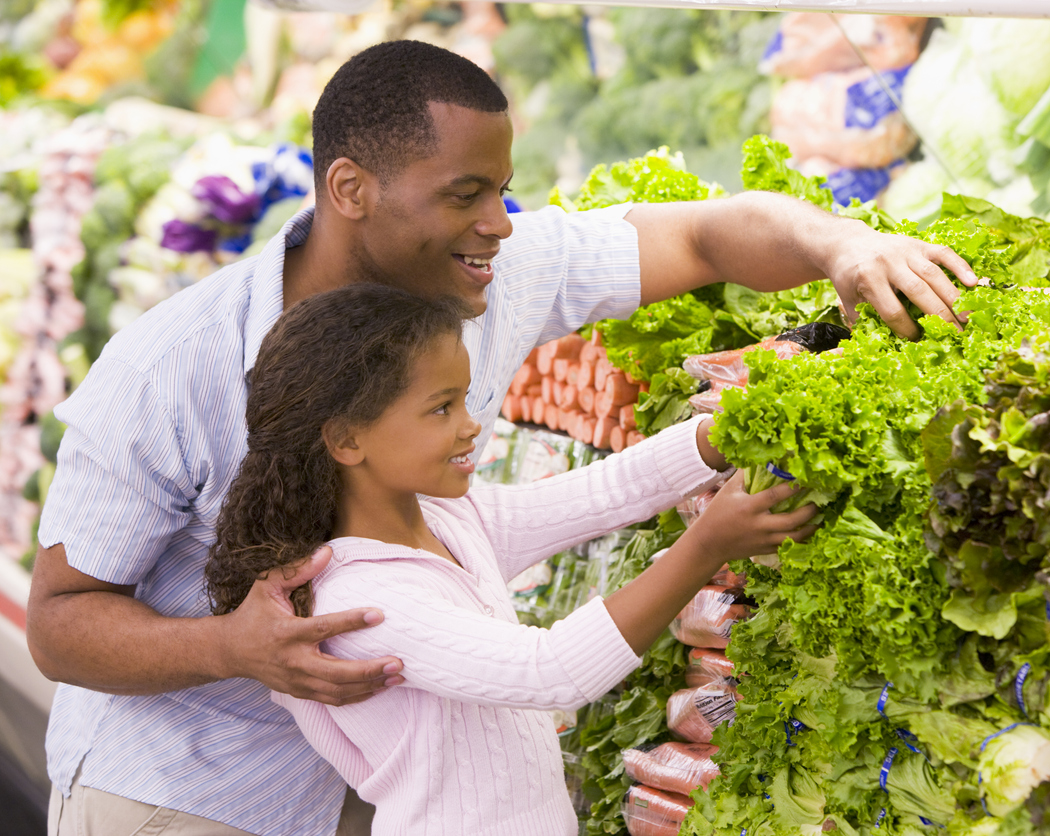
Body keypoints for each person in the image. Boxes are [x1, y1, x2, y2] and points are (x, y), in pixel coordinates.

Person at [26, 39, 978, 836]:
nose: (498, 224)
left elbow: (708, 235)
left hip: (387, 788)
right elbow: (62, 623)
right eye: (465, 193)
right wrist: (235, 648)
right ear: (351, 188)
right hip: (189, 798)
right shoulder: (169, 367)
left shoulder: (485, 275)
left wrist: (842, 247)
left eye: (505, 191)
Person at [202, 283, 813, 836]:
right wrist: (706, 545)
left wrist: (723, 432)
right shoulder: (359, 601)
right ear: (346, 440)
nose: (471, 427)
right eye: (441, 408)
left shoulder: (447, 521)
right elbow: (553, 670)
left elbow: (606, 492)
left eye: (465, 400)